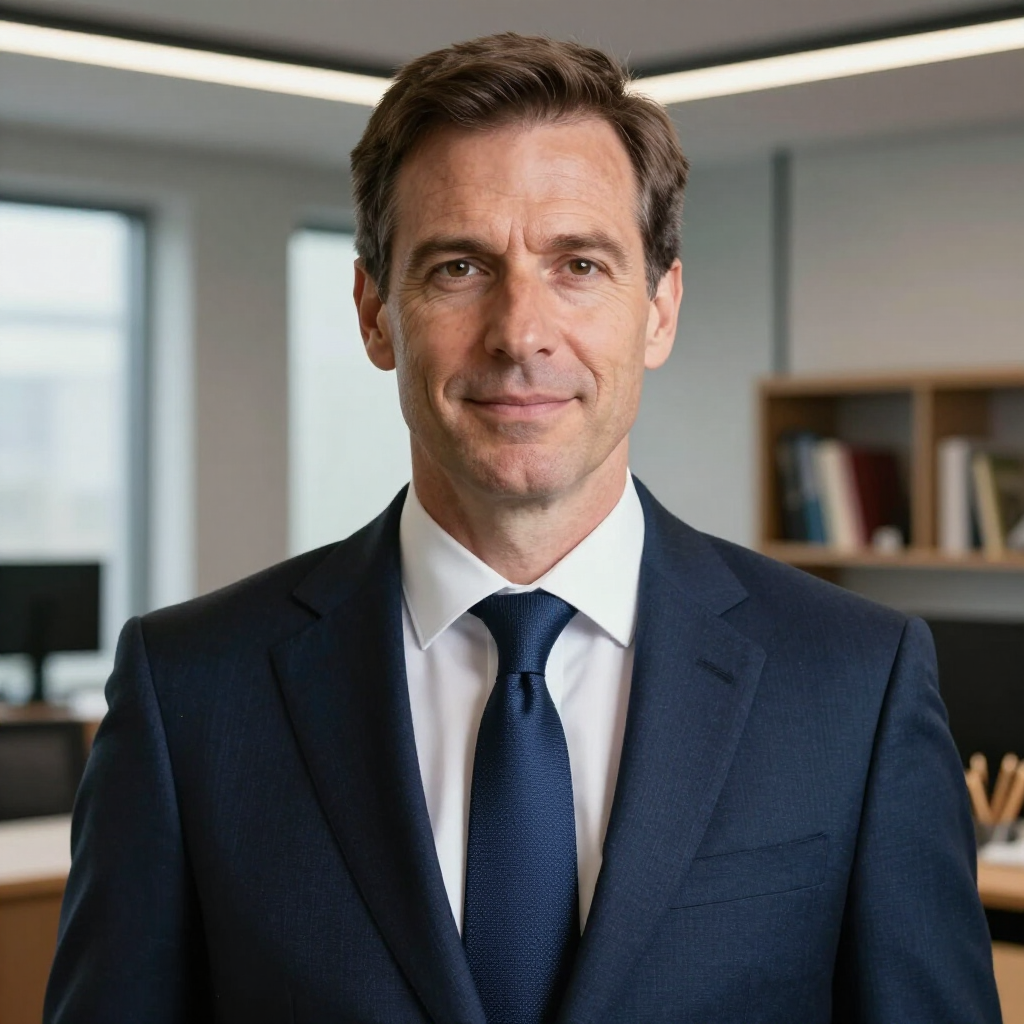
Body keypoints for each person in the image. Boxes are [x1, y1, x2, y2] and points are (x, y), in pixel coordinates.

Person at [45, 32, 1000, 1024]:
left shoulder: (851, 682)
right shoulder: (192, 691)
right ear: (375, 313)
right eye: (459, 267)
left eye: (578, 265)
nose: (519, 332)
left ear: (659, 309)